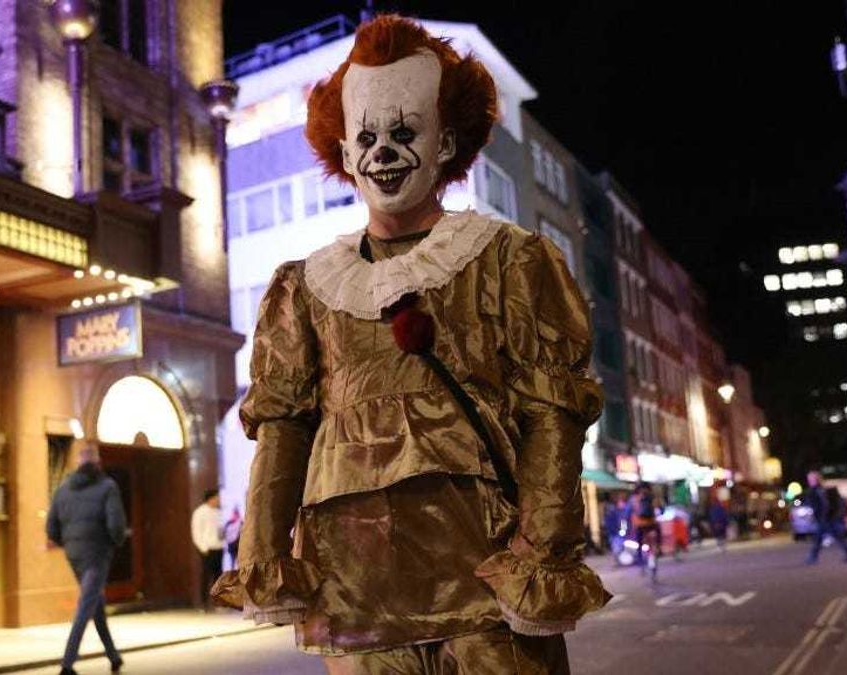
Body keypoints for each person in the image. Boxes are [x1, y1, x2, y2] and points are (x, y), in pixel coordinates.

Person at [212, 15, 610, 673]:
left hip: (484, 592)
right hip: (356, 601)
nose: (383, 152)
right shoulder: (304, 287)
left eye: (404, 132)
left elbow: (551, 419)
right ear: (344, 154)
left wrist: (540, 557)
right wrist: (263, 555)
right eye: (365, 137)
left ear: (445, 142)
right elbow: (284, 428)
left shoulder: (510, 261)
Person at [46, 442, 127, 675]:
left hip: (74, 555)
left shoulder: (62, 489)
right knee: (86, 605)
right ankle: (67, 664)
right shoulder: (108, 486)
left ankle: (113, 656)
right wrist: (115, 542)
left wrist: (68, 543)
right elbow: (116, 524)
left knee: (94, 603)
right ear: (98, 463)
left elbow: (51, 527)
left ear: (78, 464)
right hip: (97, 553)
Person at [803, 471, 847, 564]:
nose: (809, 481)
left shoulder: (819, 491)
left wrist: (823, 515)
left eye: (811, 479)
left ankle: (813, 558)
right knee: (822, 539)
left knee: (830, 538)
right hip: (826, 519)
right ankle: (813, 558)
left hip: (827, 519)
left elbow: (824, 505)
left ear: (817, 479)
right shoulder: (815, 491)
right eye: (809, 479)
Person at [191, 489, 225, 609]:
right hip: (207, 548)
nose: (219, 500)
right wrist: (202, 547)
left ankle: (218, 602)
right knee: (206, 576)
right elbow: (196, 531)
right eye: (217, 497)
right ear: (211, 498)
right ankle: (203, 603)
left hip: (219, 547)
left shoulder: (219, 512)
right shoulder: (200, 512)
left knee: (218, 577)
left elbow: (221, 530)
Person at [627, 483, 662, 563]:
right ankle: (659, 548)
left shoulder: (633, 499)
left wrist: (627, 525)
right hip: (651, 523)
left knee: (638, 539)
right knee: (658, 532)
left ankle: (639, 556)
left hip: (639, 524)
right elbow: (660, 509)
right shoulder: (652, 497)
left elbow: (627, 513)